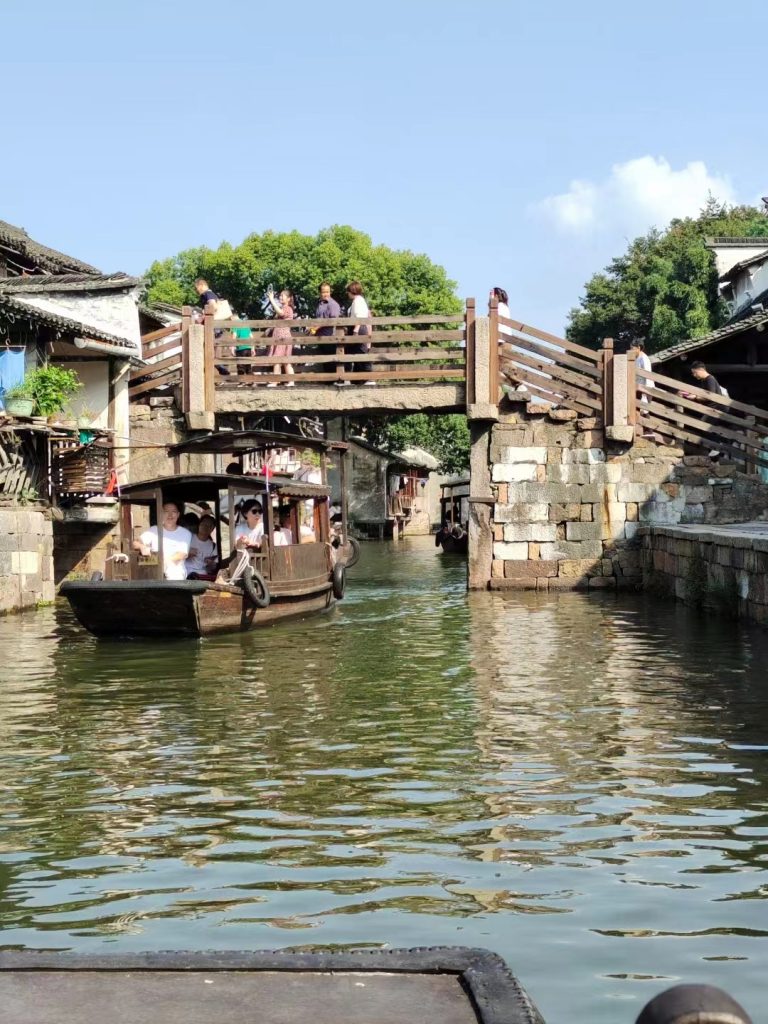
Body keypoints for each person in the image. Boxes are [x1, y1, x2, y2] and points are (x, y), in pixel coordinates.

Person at [133, 502, 192, 580]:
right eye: (166, 512)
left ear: (178, 514)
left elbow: (181, 555)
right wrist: (142, 547)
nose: (170, 515)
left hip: (175, 572)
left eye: (173, 512)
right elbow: (135, 543)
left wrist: (161, 562)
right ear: (161, 514)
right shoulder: (153, 530)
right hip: (154, 570)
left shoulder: (185, 533)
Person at [339, 280, 374, 386]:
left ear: (352, 291)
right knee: (353, 353)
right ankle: (356, 379)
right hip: (357, 328)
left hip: (358, 329)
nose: (347, 293)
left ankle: (368, 378)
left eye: (348, 291)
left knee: (361, 353)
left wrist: (355, 330)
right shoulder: (358, 300)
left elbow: (360, 317)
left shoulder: (358, 301)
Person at [266, 288, 296, 387]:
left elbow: (281, 313)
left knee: (279, 360)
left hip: (283, 338)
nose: (280, 297)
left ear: (289, 298)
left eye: (282, 296)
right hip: (280, 338)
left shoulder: (288, 308)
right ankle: (290, 381)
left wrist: (271, 300)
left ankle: (276, 381)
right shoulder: (283, 308)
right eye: (280, 296)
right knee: (284, 361)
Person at [185, 515, 218, 579]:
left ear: (212, 529)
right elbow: (176, 557)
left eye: (209, 525)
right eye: (204, 523)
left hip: (201, 576)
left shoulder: (214, 546)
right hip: (186, 573)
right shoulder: (188, 537)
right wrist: (187, 554)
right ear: (199, 524)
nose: (205, 526)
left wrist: (211, 564)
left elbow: (213, 568)